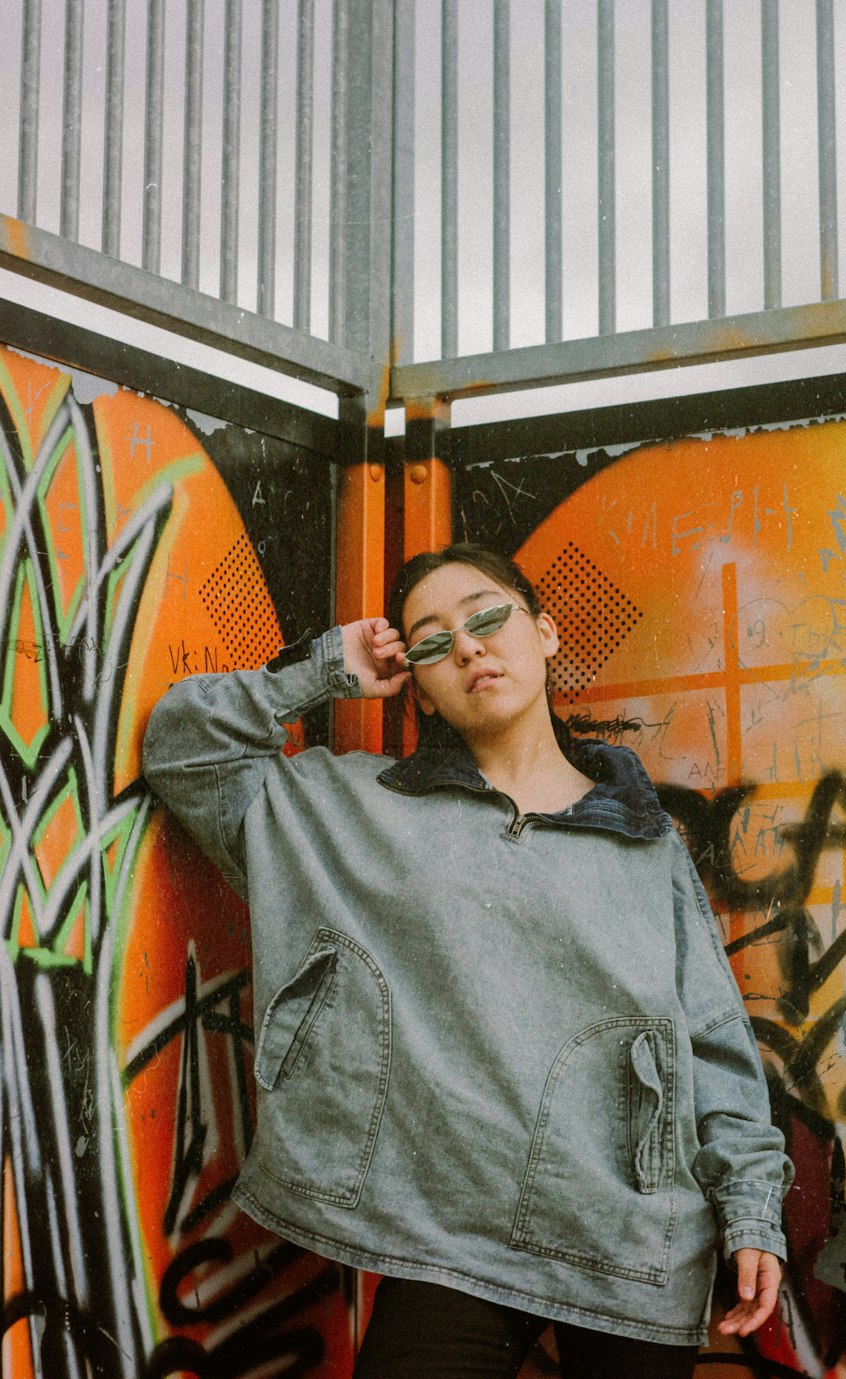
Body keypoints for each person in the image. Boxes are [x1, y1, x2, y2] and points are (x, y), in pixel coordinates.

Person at [142, 542, 793, 1379]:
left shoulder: (644, 842)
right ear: (412, 676)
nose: (469, 647)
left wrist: (749, 1211)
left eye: (489, 618)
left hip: (633, 1251)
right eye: (430, 639)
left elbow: (713, 1043)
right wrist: (326, 669)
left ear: (548, 634)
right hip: (451, 1244)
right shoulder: (351, 810)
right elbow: (183, 750)